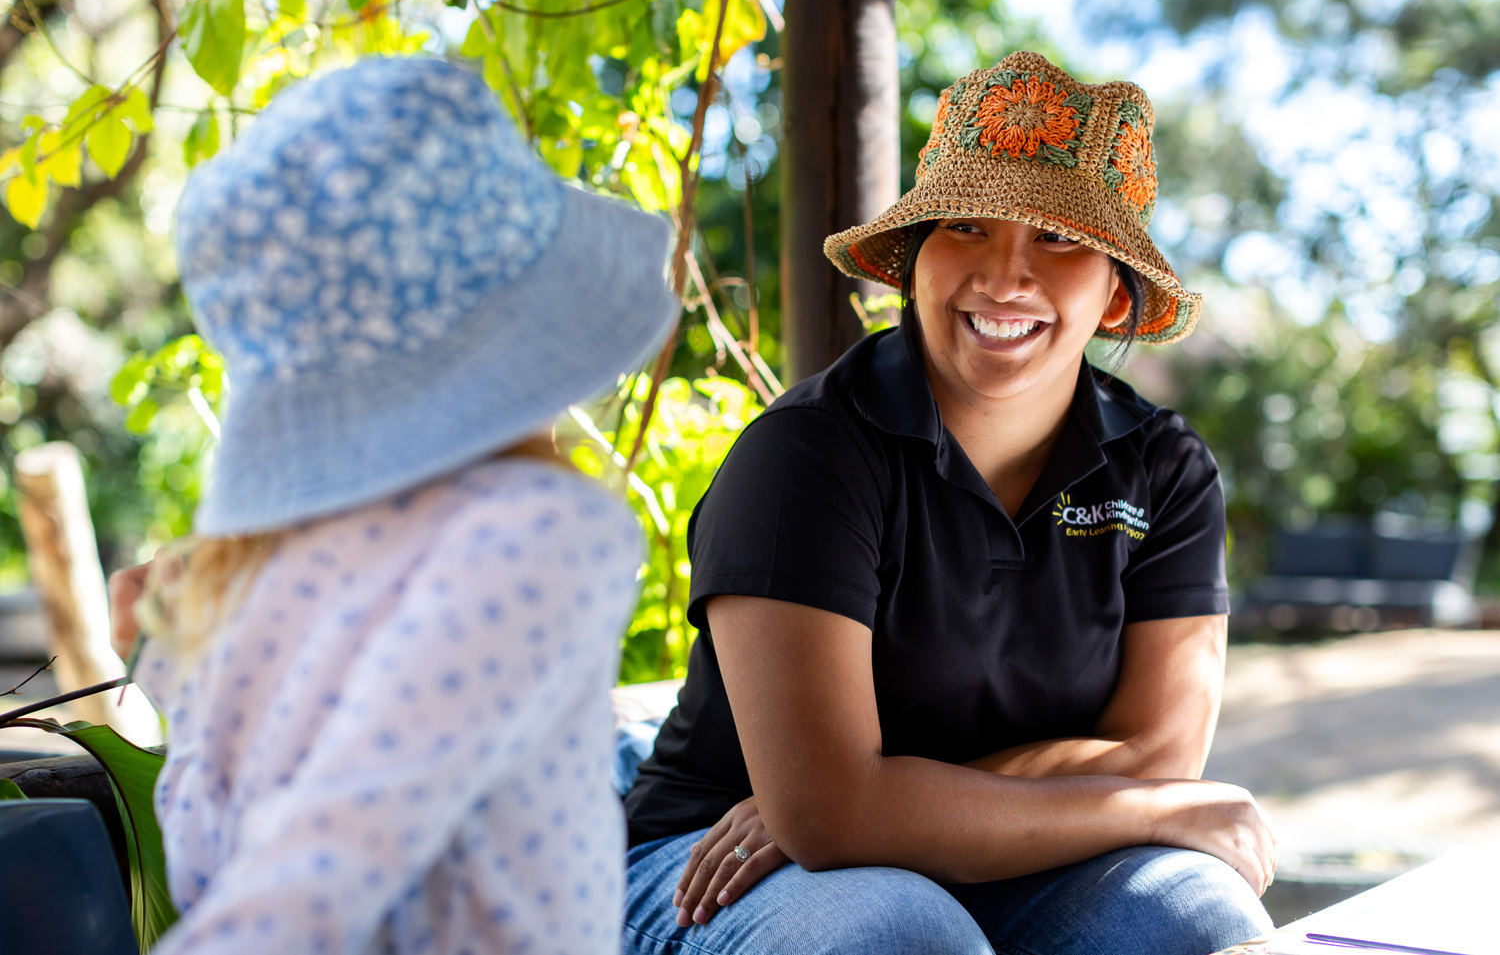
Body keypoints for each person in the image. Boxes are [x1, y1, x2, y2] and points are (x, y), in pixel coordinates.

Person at [620, 51, 1277, 955]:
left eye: (1058, 240)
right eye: (966, 226)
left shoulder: (1165, 472)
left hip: (998, 861)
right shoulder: (807, 455)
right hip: (713, 864)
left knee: (1194, 913)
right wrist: (844, 810)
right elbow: (830, 820)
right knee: (898, 931)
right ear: (912, 260)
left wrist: (876, 804)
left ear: (1117, 294)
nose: (1006, 277)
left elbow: (1156, 760)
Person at [105, 56, 676, 955]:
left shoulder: (241, 577)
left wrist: (171, 669)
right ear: (514, 332)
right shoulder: (543, 533)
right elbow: (319, 873)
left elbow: (209, 862)